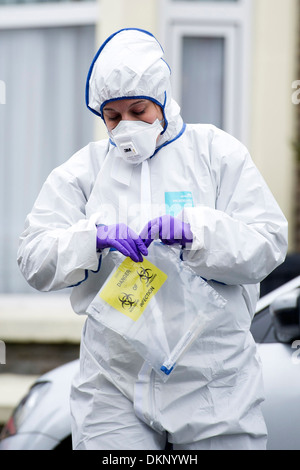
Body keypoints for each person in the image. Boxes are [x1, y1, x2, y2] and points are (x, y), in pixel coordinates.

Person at [17, 28, 288, 450]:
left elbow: (268, 242)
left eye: (139, 110)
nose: (126, 125)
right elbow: (33, 258)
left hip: (214, 383)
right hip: (113, 384)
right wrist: (92, 238)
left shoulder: (216, 154)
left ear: (161, 98)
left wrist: (197, 231)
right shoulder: (84, 171)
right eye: (112, 116)